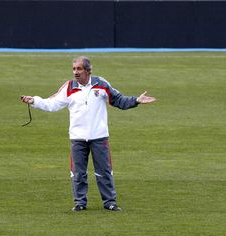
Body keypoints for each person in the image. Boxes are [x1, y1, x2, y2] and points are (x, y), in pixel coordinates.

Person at [21, 56, 156, 212]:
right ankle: (80, 203)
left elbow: (118, 100)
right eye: (74, 69)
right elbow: (52, 104)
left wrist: (136, 100)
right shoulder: (69, 87)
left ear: (88, 70)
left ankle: (110, 202)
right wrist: (34, 101)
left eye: (79, 69)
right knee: (78, 173)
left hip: (99, 137)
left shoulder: (102, 85)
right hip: (77, 138)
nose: (75, 72)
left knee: (104, 172)